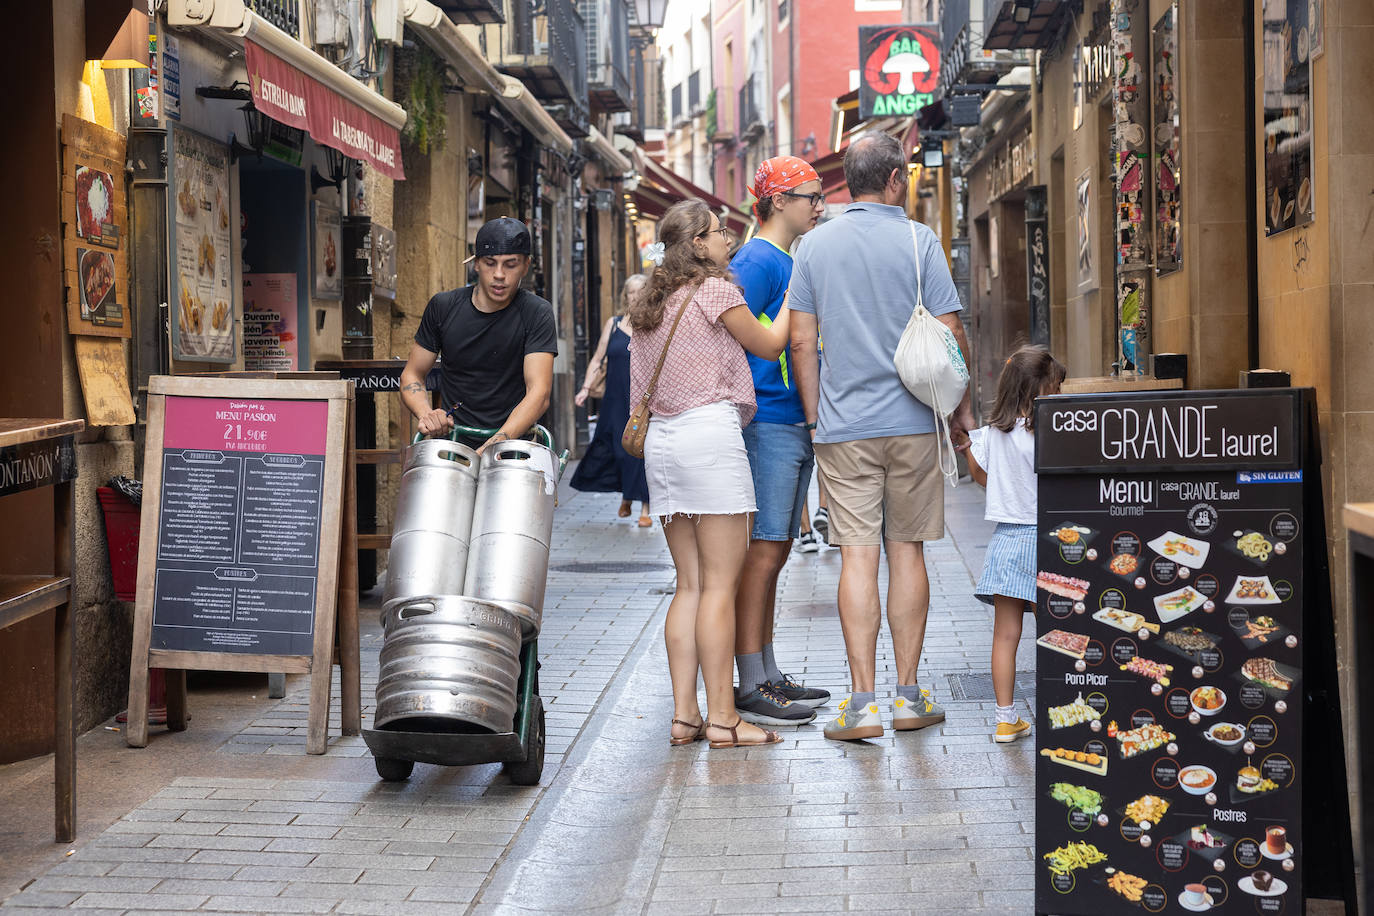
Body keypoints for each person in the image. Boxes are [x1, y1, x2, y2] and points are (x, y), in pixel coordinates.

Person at [788, 131, 975, 742]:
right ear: (895, 179)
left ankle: (862, 702)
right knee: (908, 552)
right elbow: (949, 334)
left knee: (857, 557)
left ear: (846, 180)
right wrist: (961, 415)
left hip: (844, 428)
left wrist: (818, 423)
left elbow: (801, 342)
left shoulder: (813, 247)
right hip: (915, 421)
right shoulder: (920, 242)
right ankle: (908, 696)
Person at [627, 199, 793, 749]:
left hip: (664, 446)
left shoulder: (648, 305)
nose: (729, 239)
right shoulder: (717, 291)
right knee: (721, 585)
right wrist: (796, 296)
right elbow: (769, 346)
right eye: (721, 232)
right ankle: (725, 718)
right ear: (697, 243)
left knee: (691, 585)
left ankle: (685, 716)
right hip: (709, 437)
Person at [730, 157, 831, 728]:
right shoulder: (758, 259)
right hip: (768, 420)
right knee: (764, 550)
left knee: (777, 549)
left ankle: (766, 672)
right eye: (809, 196)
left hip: (785, 418)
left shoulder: (782, 257)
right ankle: (751, 682)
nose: (818, 206)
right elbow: (733, 333)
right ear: (777, 202)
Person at [965, 346, 1066, 743]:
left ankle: (1005, 719)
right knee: (1054, 634)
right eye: (1055, 387)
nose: (1058, 394)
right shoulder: (1047, 432)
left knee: (1005, 636)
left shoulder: (993, 433)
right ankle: (1058, 710)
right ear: (1040, 388)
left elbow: (981, 477)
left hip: (1007, 542)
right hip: (1045, 540)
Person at [399, 217, 556, 452]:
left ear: (526, 265)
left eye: (511, 264)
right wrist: (427, 414)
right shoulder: (443, 307)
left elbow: (539, 392)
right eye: (490, 263)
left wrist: (498, 442)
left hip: (513, 447)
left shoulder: (537, 312)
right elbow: (412, 374)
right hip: (452, 444)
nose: (499, 274)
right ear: (476, 264)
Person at [571, 275, 652, 527]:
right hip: (614, 399)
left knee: (640, 450)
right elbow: (597, 359)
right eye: (631, 292)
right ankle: (627, 495)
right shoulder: (614, 324)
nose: (635, 296)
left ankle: (645, 509)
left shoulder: (652, 324)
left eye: (640, 291)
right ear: (624, 296)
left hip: (640, 401)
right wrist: (585, 388)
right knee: (616, 449)